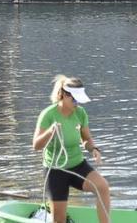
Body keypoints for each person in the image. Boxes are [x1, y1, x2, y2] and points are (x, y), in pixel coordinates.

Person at [33, 75, 110, 223]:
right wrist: (50, 132)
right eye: (74, 99)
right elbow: (36, 146)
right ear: (63, 95)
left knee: (103, 187)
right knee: (59, 221)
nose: (76, 103)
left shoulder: (80, 113)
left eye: (78, 100)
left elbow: (86, 139)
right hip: (55, 170)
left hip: (77, 165)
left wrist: (93, 149)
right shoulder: (48, 115)